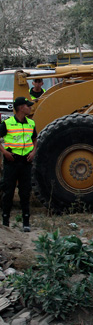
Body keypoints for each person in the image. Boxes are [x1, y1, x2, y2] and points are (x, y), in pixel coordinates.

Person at [1, 97, 37, 232]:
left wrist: (33, 152)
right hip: (12, 161)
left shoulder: (31, 123)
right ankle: (5, 221)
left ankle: (26, 222)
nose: (30, 108)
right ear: (21, 108)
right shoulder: (7, 123)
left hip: (26, 162)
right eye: (28, 106)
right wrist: (5, 152)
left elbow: (34, 139)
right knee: (8, 191)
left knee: (25, 191)